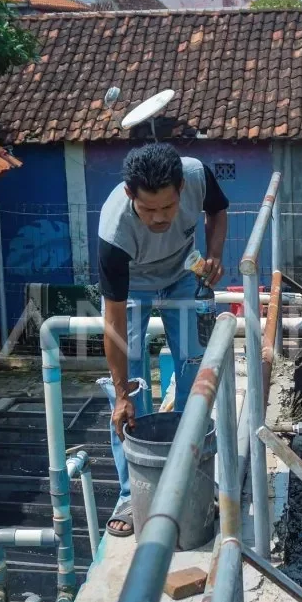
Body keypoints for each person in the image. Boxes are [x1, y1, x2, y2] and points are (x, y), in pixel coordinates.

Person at [96, 143, 228, 536]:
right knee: (131, 391)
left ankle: (196, 478)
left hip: (184, 273)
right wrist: (120, 392)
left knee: (196, 372)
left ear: (181, 191)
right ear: (129, 195)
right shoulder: (114, 231)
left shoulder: (196, 175)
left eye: (168, 208)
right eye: (148, 209)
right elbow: (114, 323)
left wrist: (215, 254)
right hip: (133, 287)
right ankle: (129, 494)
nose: (159, 218)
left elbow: (218, 212)